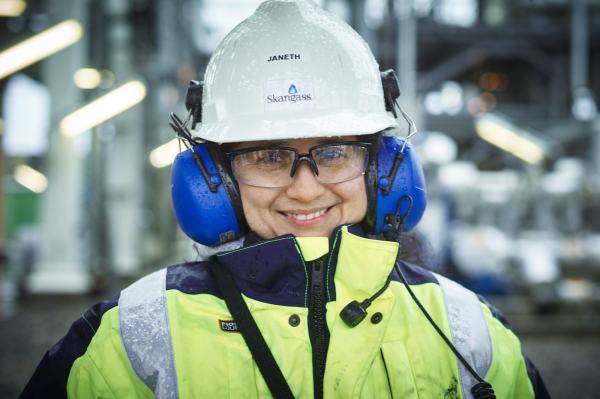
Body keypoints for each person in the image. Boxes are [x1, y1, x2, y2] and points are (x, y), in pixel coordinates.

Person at [21, 0, 550, 398]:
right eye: (268, 157)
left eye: (336, 152)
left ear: (384, 167)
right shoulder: (131, 334)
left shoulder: (469, 328)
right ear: (214, 176)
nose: (304, 187)